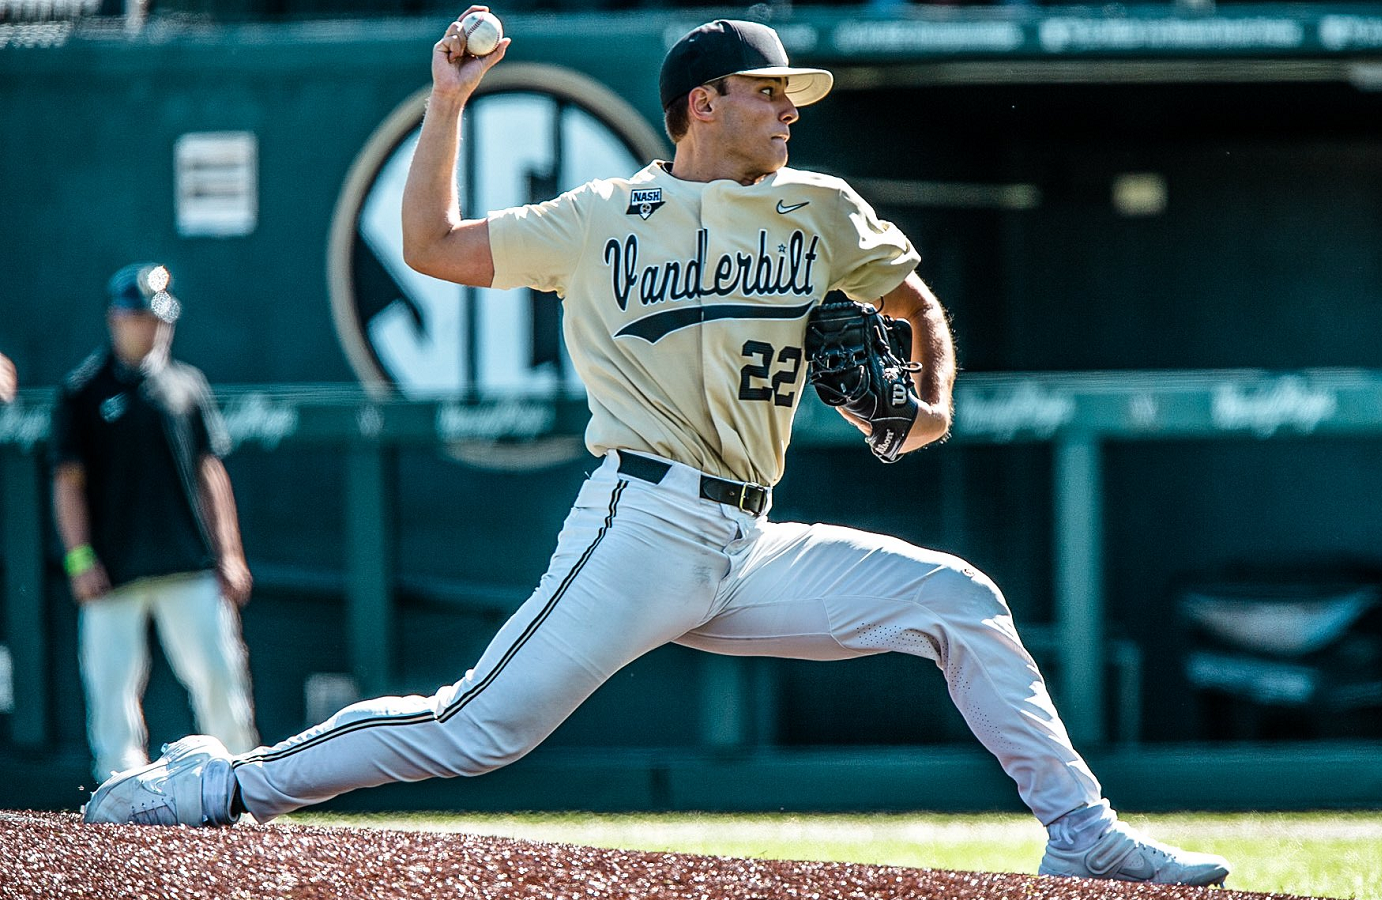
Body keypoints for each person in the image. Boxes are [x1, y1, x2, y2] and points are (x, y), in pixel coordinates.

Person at [83, 12, 1229, 886]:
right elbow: (429, 243)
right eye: (767, 92)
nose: (789, 109)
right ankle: (225, 785)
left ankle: (1079, 835)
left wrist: (929, 401)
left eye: (792, 95)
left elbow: (914, 301)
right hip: (642, 520)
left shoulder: (817, 207)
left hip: (744, 539)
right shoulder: (599, 219)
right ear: (702, 103)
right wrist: (448, 104)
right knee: (475, 727)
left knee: (959, 602)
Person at [54, 262, 258, 785]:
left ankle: (240, 787)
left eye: (158, 318)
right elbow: (67, 484)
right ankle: (120, 802)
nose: (152, 327)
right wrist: (79, 560)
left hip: (188, 566)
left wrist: (229, 554)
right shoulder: (82, 392)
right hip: (114, 573)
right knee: (111, 697)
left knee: (219, 681)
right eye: (140, 316)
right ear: (115, 318)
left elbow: (210, 473)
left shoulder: (187, 385)